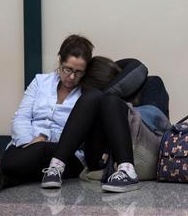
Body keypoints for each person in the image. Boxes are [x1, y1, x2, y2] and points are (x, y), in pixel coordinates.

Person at [0, 34, 94, 194]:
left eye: (79, 72)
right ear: (60, 60)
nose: (72, 77)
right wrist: (29, 143)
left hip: (66, 157)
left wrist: (42, 141)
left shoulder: (88, 95)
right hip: (26, 147)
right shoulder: (40, 82)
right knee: (34, 155)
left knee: (43, 150)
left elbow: (82, 135)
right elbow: (22, 117)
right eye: (68, 69)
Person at [40, 56, 170, 193]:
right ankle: (56, 167)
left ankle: (128, 172)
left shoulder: (152, 83)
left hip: (143, 150)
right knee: (95, 98)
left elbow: (160, 123)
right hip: (100, 158)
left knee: (110, 102)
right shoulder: (95, 97)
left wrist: (118, 105)